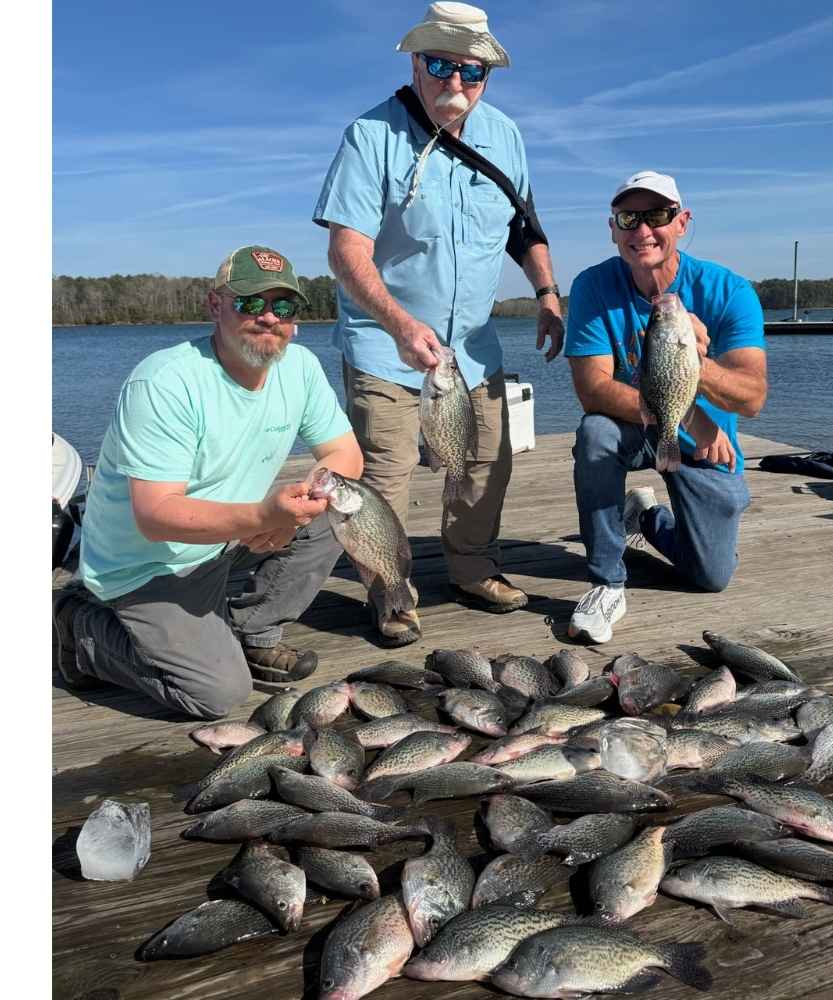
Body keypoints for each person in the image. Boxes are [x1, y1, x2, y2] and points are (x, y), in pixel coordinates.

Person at [312, 2, 564, 648]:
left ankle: (474, 566)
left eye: (471, 71)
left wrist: (546, 293)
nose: (456, 82)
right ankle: (391, 590)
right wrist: (398, 324)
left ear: (486, 75)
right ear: (416, 62)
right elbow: (346, 252)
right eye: (440, 65)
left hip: (471, 351)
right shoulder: (370, 138)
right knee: (384, 477)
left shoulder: (506, 138)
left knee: (485, 462)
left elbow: (524, 227)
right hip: (384, 346)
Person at [52, 245, 364, 719]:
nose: (267, 318)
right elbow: (156, 517)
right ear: (215, 305)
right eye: (250, 303)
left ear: (296, 319)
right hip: (146, 565)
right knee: (217, 695)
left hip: (225, 540)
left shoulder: (300, 368)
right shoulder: (165, 382)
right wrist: (263, 516)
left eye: (282, 306)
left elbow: (346, 455)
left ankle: (249, 629)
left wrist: (297, 509)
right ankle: (79, 626)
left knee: (342, 509)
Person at [564, 171, 768, 644]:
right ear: (612, 228)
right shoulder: (594, 288)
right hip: (636, 423)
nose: (642, 231)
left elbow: (753, 399)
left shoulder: (729, 290)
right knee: (595, 432)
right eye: (628, 218)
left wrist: (701, 364)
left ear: (682, 222)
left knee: (710, 576)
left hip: (705, 444)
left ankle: (647, 518)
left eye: (657, 216)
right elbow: (592, 389)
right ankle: (607, 581)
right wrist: (688, 413)